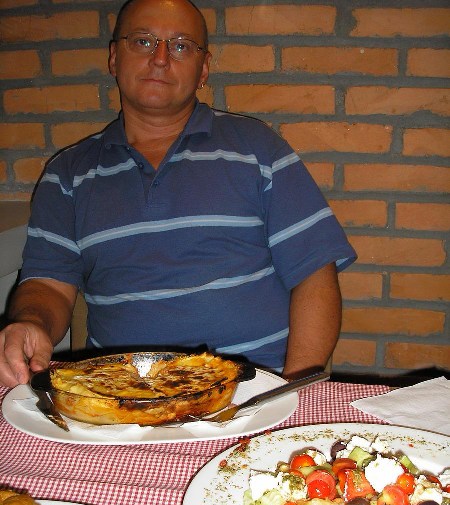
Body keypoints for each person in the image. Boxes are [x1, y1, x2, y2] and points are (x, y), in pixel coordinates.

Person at [0, 0, 356, 389]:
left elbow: (314, 273)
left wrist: (293, 388)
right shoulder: (67, 174)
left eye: (181, 46)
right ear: (114, 58)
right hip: (121, 397)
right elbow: (48, 284)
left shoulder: (258, 148)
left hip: (255, 391)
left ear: (203, 70)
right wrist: (30, 323)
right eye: (143, 41)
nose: (160, 58)